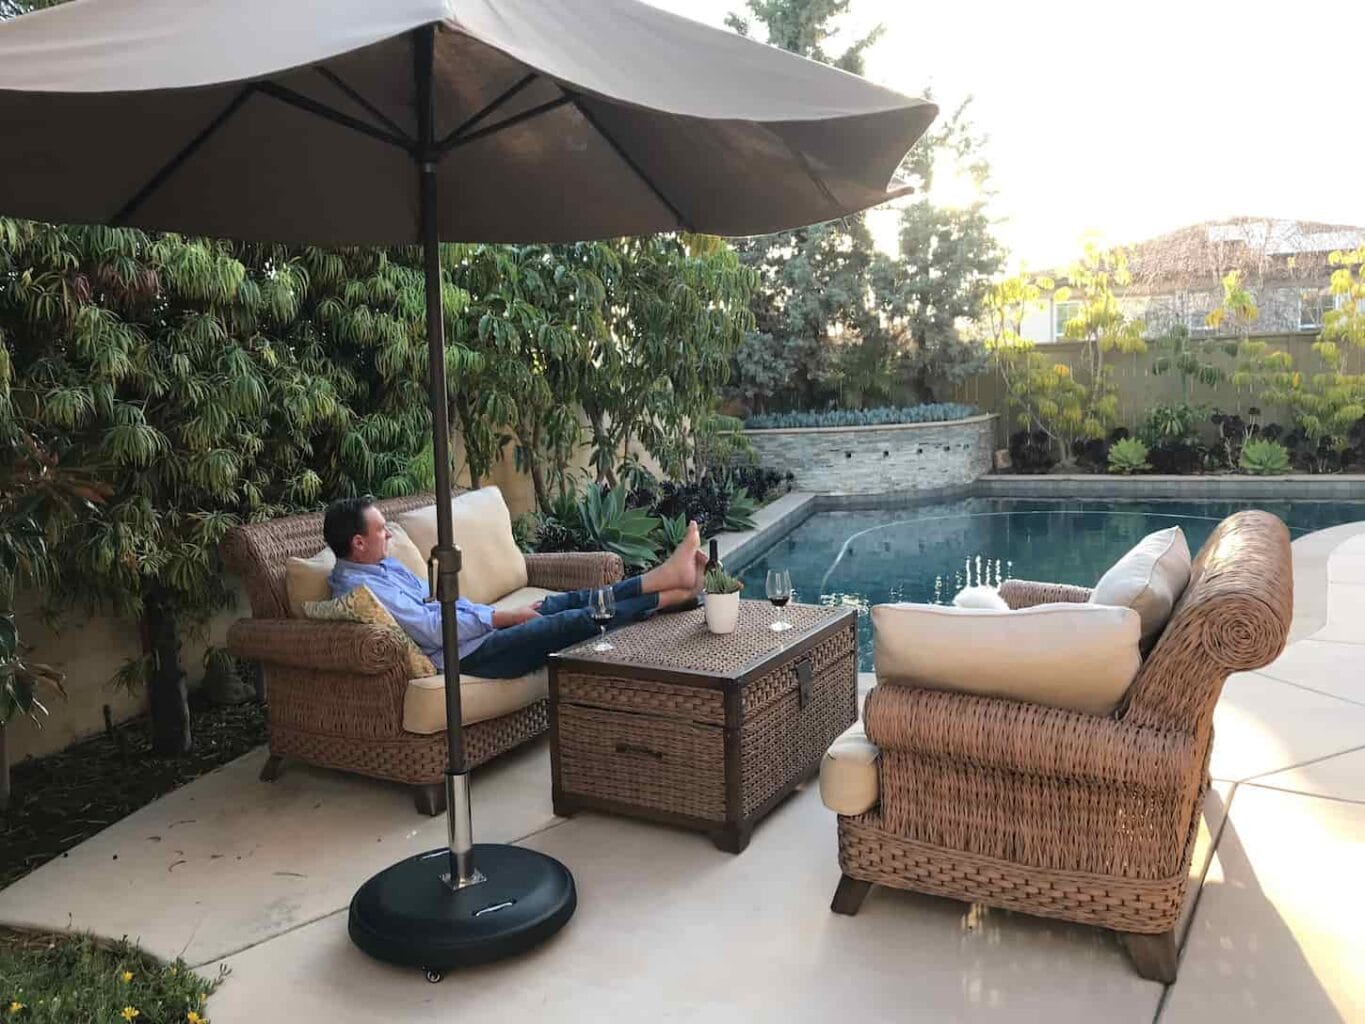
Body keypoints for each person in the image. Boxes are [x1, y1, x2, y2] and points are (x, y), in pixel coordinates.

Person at [321, 496, 707, 679]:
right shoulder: (363, 592)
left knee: (569, 601)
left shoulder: (381, 565)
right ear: (357, 543)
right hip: (470, 655)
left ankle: (666, 579)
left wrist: (490, 616)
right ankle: (674, 592)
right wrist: (503, 618)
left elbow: (434, 599)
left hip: (476, 627)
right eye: (379, 530)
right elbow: (436, 628)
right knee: (574, 620)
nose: (388, 534)